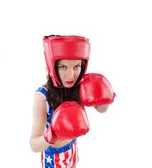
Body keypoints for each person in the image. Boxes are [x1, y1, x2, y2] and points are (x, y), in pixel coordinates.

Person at [29, 35, 117, 168]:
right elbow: (34, 145)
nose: (71, 75)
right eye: (63, 67)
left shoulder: (81, 86)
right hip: (54, 157)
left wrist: (103, 93)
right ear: (53, 66)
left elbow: (102, 110)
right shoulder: (42, 96)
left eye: (76, 66)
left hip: (73, 148)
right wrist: (51, 135)